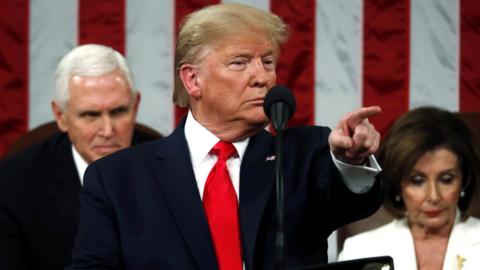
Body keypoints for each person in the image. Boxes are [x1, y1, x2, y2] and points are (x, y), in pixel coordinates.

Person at [67, 3, 383, 270]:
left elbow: (353, 203)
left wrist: (350, 159)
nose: (262, 77)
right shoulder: (117, 179)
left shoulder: (305, 154)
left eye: (268, 62)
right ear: (192, 79)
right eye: (240, 63)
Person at [0, 44, 159, 270]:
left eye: (118, 112)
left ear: (135, 106)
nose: (107, 130)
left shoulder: (171, 166)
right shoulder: (12, 185)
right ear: (61, 116)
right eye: (90, 115)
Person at [338, 107, 480, 270]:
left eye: (446, 179)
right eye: (417, 181)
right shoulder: (360, 251)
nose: (433, 196)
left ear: (464, 181)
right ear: (398, 185)